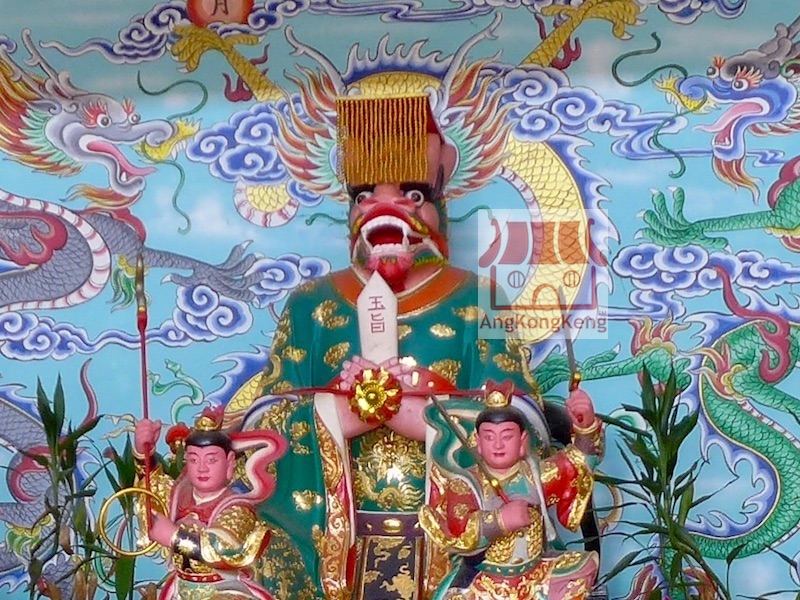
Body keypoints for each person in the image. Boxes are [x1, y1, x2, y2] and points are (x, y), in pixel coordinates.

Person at [229, 91, 600, 600]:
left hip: (450, 532)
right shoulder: (311, 303)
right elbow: (262, 423)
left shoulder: (480, 296)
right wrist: (341, 415)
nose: (386, 210)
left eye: (412, 195)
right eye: (365, 197)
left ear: (439, 202)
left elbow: (523, 418)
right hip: (338, 535)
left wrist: (417, 417)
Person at [419, 385, 601, 600]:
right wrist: (500, 521)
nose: (498, 445)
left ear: (523, 441)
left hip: (535, 577)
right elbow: (460, 528)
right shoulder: (466, 483)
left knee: (586, 566)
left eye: (507, 436)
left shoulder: (537, 475)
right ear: (477, 442)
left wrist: (586, 426)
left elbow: (577, 462)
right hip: (484, 581)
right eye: (489, 437)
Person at [133, 406, 287, 600]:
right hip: (181, 587)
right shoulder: (180, 495)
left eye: (211, 460)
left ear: (229, 463)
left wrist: (174, 536)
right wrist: (143, 451)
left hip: (223, 588)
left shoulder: (238, 507)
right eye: (194, 460)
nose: (202, 468)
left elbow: (221, 549)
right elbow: (152, 490)